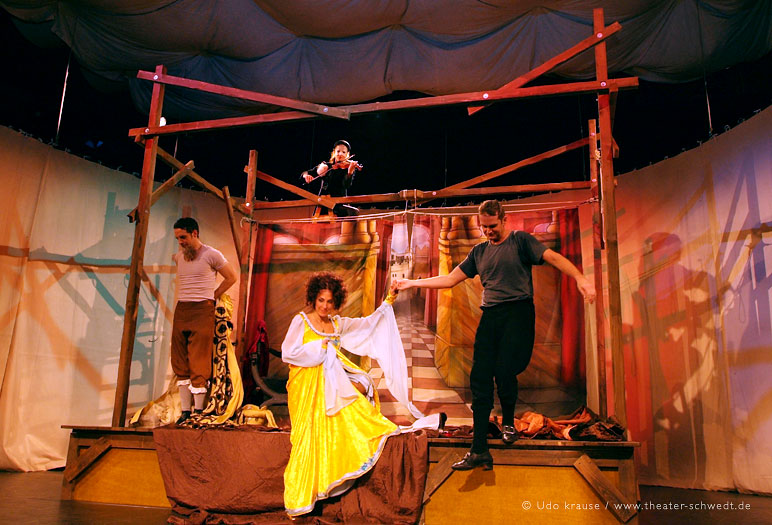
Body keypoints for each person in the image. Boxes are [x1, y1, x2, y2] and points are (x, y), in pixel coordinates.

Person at [396, 200, 596, 470]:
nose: (488, 231)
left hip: (518, 313)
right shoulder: (479, 252)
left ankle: (509, 423)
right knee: (479, 378)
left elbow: (554, 258)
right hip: (491, 316)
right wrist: (410, 283)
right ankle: (479, 449)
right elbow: (450, 279)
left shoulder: (520, 241)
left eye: (492, 226)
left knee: (504, 371)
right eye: (484, 227)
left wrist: (580, 278)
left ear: (504, 220)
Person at [281, 272, 441, 517]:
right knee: (310, 434)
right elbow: (288, 353)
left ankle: (350, 457)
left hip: (330, 381)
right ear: (313, 299)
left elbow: (369, 325)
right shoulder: (301, 321)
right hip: (306, 384)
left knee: (360, 393)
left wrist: (389, 300)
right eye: (321, 300)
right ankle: (304, 495)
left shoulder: (338, 324)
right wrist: (319, 348)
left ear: (336, 302)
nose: (325, 306)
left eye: (330, 302)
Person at [171, 217, 237, 424]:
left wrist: (213, 296)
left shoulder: (211, 254)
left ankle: (198, 410)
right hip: (182, 309)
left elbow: (231, 277)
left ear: (195, 234)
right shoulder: (179, 257)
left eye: (183, 237)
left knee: (199, 358)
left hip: (202, 309)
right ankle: (185, 411)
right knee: (179, 358)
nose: (180, 242)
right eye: (177, 238)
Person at [302, 139, 362, 217]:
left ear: (348, 154)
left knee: (354, 212)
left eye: (343, 152)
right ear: (334, 152)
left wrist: (350, 173)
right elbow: (306, 172)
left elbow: (346, 185)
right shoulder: (326, 166)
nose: (340, 154)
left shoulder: (348, 168)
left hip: (339, 204)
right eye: (338, 151)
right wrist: (306, 176)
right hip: (325, 203)